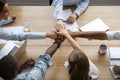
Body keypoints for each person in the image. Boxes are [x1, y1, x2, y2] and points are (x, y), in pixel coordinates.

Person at [0, 36, 64, 80]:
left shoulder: (5, 75)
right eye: (17, 63)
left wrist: (21, 67)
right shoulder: (32, 78)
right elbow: (44, 60)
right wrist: (58, 42)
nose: (19, 62)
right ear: (14, 72)